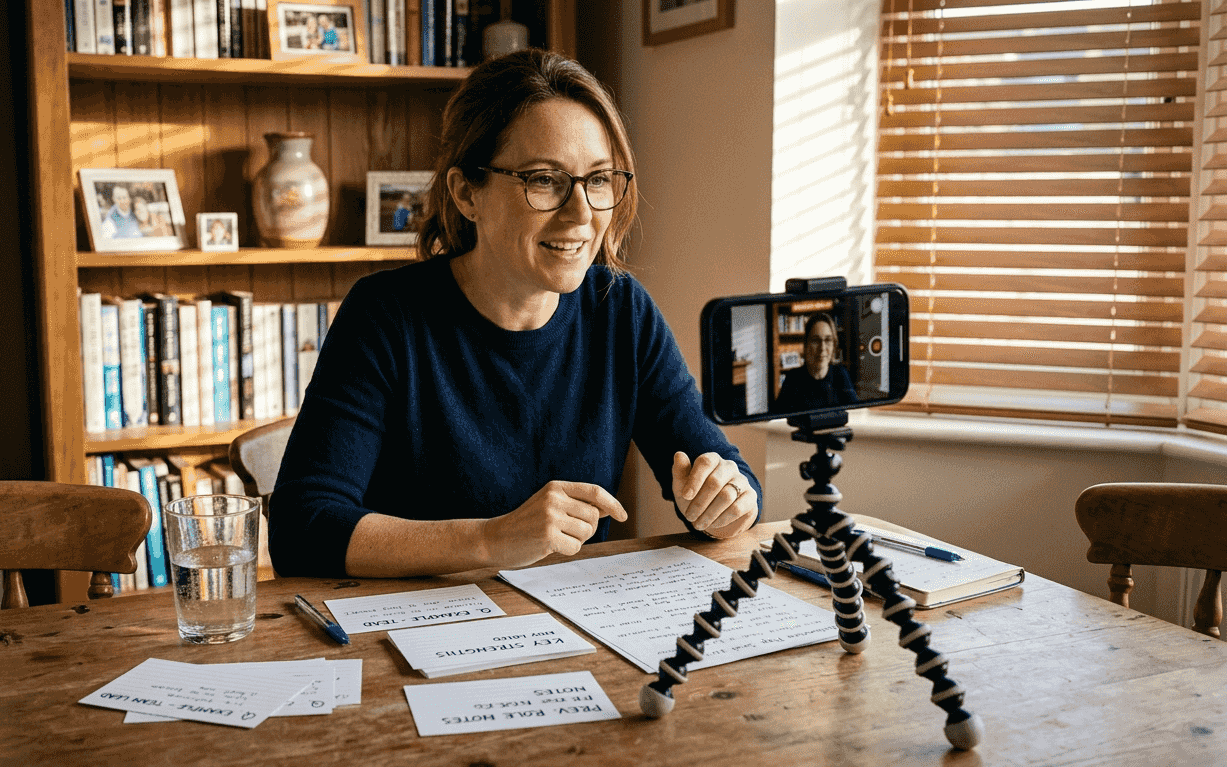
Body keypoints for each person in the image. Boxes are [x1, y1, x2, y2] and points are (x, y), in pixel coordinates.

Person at [269, 49, 762, 579]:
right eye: (545, 180)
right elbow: (302, 527)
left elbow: (731, 478)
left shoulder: (620, 308)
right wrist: (492, 537)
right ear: (466, 194)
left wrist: (727, 501)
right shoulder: (386, 316)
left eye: (598, 180)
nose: (581, 214)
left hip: (581, 625)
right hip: (419, 635)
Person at [773, 313, 858, 414]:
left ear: (834, 345)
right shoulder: (793, 378)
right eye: (815, 340)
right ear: (806, 345)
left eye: (828, 340)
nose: (822, 348)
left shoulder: (841, 374)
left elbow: (856, 412)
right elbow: (777, 417)